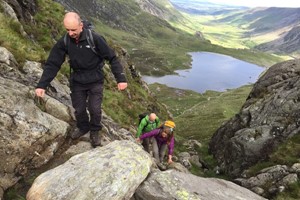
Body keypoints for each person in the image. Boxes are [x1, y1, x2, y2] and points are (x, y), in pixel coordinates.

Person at [35, 12, 127, 147]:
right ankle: (83, 127)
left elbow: (112, 58)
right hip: (77, 80)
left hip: (95, 79)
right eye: (67, 30)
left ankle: (95, 130)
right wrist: (42, 85)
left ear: (81, 25)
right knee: (79, 109)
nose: (70, 33)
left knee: (95, 108)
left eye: (73, 30)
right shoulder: (65, 42)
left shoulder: (95, 38)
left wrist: (121, 79)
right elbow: (53, 64)